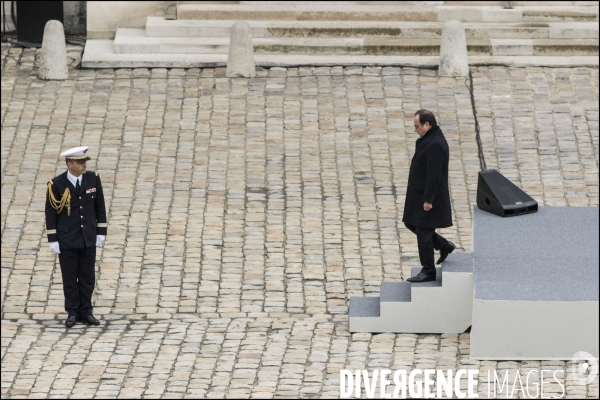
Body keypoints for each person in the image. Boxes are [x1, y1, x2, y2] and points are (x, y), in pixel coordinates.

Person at [45, 146, 107, 327]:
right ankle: (72, 311)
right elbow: (51, 213)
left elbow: (100, 206)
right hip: (67, 238)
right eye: (80, 162)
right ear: (69, 164)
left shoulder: (92, 179)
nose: (84, 165)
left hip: (88, 236)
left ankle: (86, 311)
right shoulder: (56, 184)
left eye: (85, 162)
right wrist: (53, 238)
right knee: (70, 277)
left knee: (87, 277)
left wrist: (101, 231)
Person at [403, 110, 455, 283]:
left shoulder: (435, 144)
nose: (415, 130)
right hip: (418, 194)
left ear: (427, 124)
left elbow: (434, 174)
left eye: (417, 126)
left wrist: (428, 200)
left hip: (428, 197)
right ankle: (443, 245)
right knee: (410, 222)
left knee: (424, 233)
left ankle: (428, 270)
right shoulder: (428, 140)